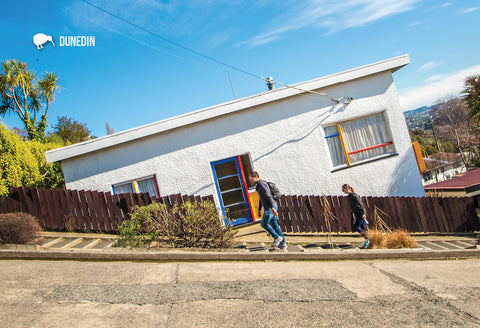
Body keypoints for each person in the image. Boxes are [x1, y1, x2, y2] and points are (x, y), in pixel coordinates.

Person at [249, 171, 286, 249]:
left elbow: (268, 196)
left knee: (263, 223)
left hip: (270, 207)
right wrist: (259, 209)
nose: (251, 181)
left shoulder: (261, 184)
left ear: (256, 177)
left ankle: (276, 237)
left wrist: (272, 208)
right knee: (274, 225)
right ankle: (283, 243)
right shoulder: (259, 185)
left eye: (251, 179)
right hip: (270, 206)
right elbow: (261, 199)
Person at [342, 184, 370, 249]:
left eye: (343, 189)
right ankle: (367, 242)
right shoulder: (349, 196)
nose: (343, 191)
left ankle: (368, 238)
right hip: (357, 214)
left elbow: (360, 203)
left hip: (360, 213)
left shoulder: (352, 195)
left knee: (357, 227)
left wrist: (363, 213)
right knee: (364, 228)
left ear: (347, 188)